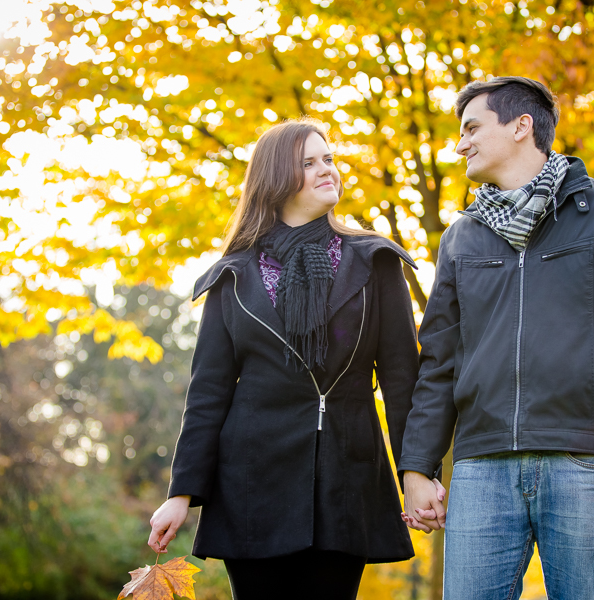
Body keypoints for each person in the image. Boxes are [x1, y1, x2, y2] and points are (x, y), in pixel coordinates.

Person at [398, 76, 594, 599]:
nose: (460, 143)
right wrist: (417, 467)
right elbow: (438, 361)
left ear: (520, 126)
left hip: (582, 460)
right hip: (480, 466)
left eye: (471, 127)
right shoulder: (460, 237)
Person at [147, 118, 419, 600]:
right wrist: (181, 494)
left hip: (348, 477)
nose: (326, 170)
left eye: (329, 159)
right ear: (276, 178)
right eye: (308, 162)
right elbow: (208, 392)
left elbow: (401, 380)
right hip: (252, 484)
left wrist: (416, 474)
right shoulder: (234, 275)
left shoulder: (375, 261)